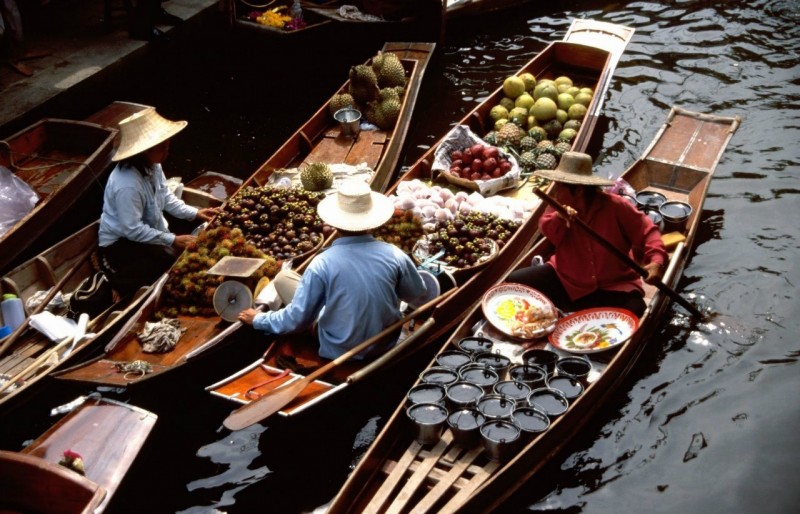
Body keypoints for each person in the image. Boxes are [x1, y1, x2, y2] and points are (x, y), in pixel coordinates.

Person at [237, 180, 428, 360]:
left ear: (334, 224)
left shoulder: (321, 264)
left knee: (283, 278)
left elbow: (297, 320)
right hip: (385, 342)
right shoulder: (395, 254)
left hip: (340, 347)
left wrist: (259, 319)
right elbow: (415, 294)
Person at [508, 152, 668, 317]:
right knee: (516, 281)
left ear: (578, 191)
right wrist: (559, 218)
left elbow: (648, 232)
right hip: (568, 280)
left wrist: (656, 262)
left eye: (559, 187)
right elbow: (546, 229)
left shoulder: (616, 206)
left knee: (635, 310)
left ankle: (570, 312)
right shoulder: (557, 206)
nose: (555, 192)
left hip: (613, 284)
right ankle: (569, 311)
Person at [98, 108, 218, 298]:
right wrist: (172, 240)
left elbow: (166, 198)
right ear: (144, 151)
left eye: (166, 144)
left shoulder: (153, 166)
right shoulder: (127, 185)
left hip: (144, 230)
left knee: (192, 229)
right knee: (164, 264)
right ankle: (116, 286)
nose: (167, 149)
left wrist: (195, 213)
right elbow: (132, 229)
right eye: (161, 146)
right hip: (120, 244)